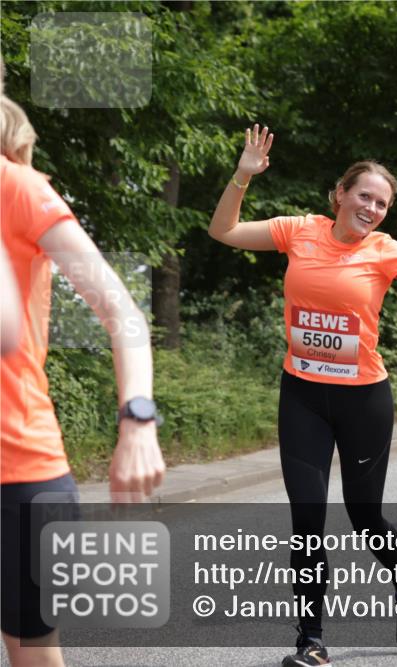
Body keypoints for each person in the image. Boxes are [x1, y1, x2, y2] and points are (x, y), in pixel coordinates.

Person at [207, 125, 397, 665]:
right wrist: (243, 174)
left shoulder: (386, 251)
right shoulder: (299, 231)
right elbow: (224, 231)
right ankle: (311, 641)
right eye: (364, 196)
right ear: (340, 195)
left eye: (381, 202)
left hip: (363, 400)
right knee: (307, 519)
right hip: (303, 393)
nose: (372, 208)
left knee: (364, 514)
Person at [2, 94, 166, 667]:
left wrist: (138, 419)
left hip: (16, 472)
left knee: (31, 652)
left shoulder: (19, 189)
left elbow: (123, 313)